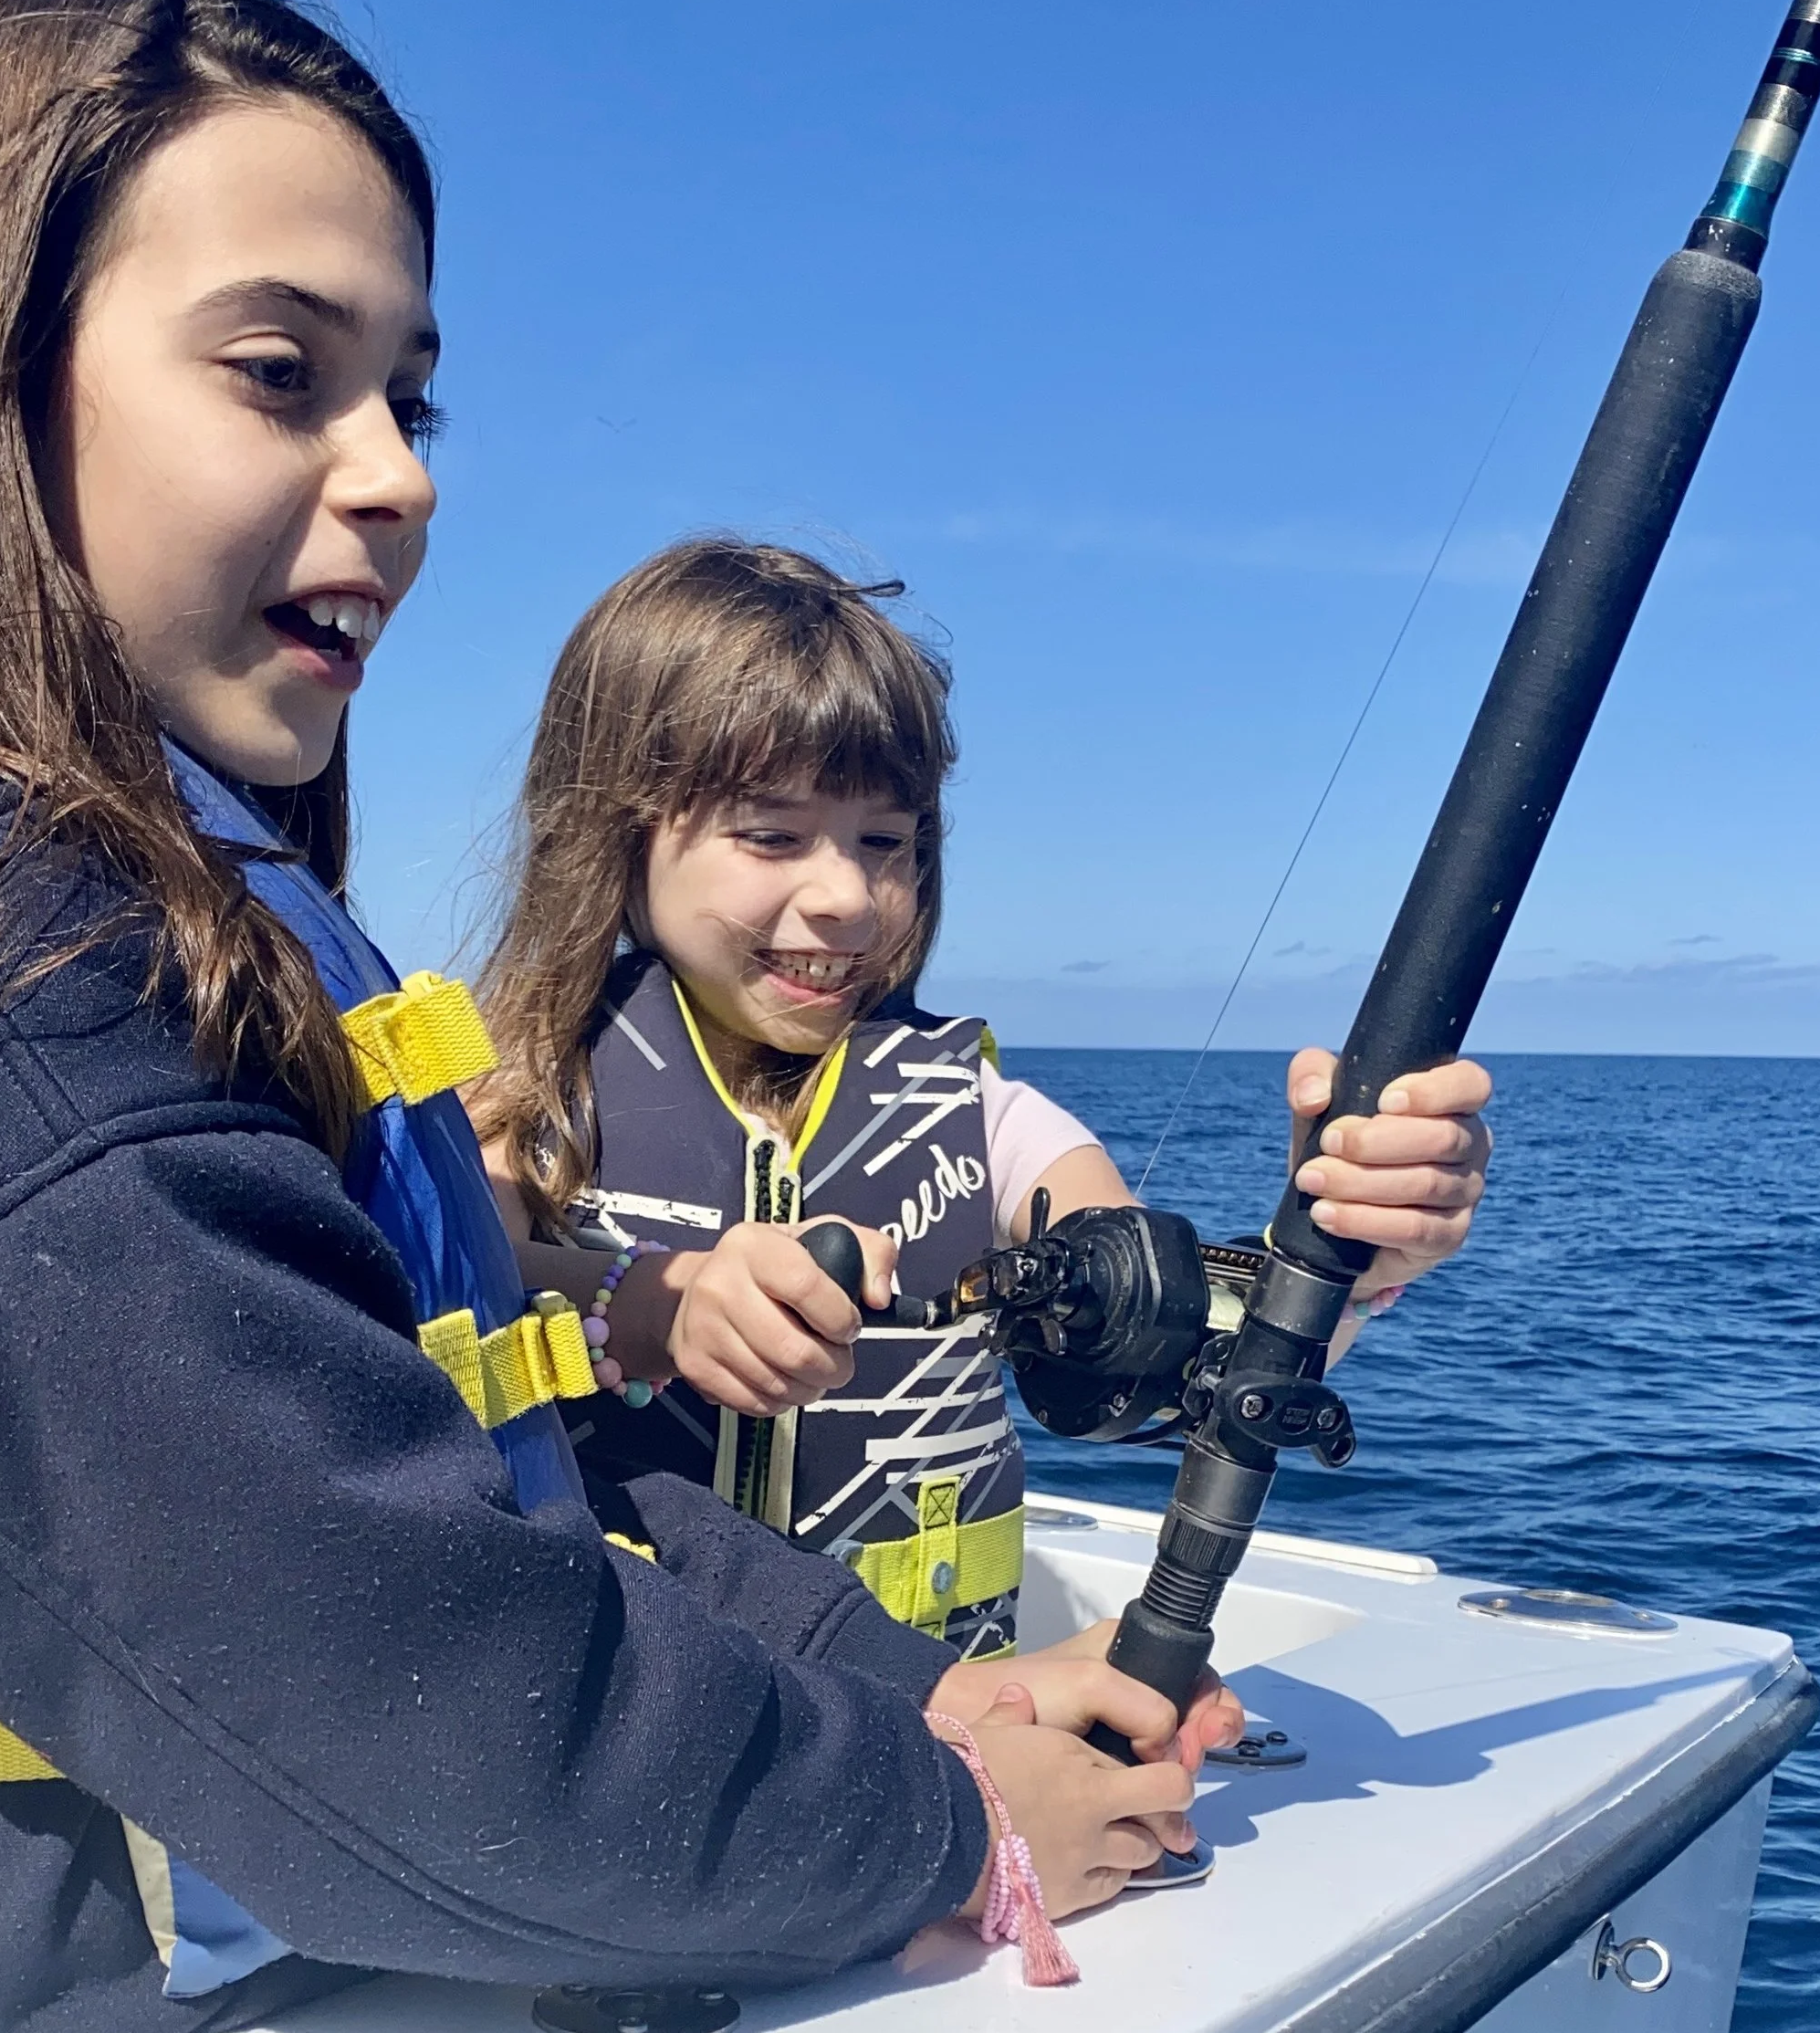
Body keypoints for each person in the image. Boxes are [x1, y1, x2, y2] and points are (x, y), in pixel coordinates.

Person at [0, 0, 1229, 2033]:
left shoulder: (121, 930)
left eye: (412, 396)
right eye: (279, 375)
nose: (399, 478)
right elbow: (414, 1702)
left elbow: (507, 1484)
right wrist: (941, 1820)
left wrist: (905, 1686)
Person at [470, 542, 1493, 1656]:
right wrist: (654, 1302)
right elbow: (449, 1292)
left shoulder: (986, 1119)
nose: (850, 897)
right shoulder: (516, 1093)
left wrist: (1339, 1252)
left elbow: (1170, 1346)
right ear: (612, 832)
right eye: (771, 834)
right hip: (642, 1715)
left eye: (887, 842)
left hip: (939, 1733)